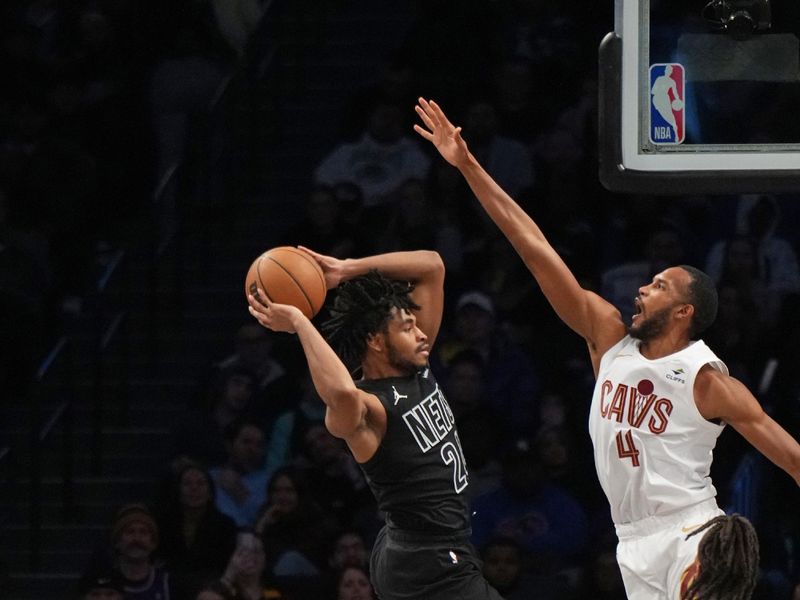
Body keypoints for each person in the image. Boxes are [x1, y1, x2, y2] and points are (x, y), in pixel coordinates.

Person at [414, 97, 800, 600]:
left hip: (694, 531)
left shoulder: (707, 380)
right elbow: (533, 248)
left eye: (659, 285)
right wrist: (466, 163)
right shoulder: (607, 338)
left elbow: (792, 458)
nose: (642, 289)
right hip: (631, 542)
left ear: (685, 312)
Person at [246, 248, 503, 599]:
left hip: (425, 548)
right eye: (408, 327)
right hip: (424, 560)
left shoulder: (417, 367)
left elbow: (433, 266)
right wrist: (299, 322)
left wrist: (349, 268)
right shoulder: (371, 407)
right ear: (376, 340)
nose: (422, 334)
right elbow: (341, 394)